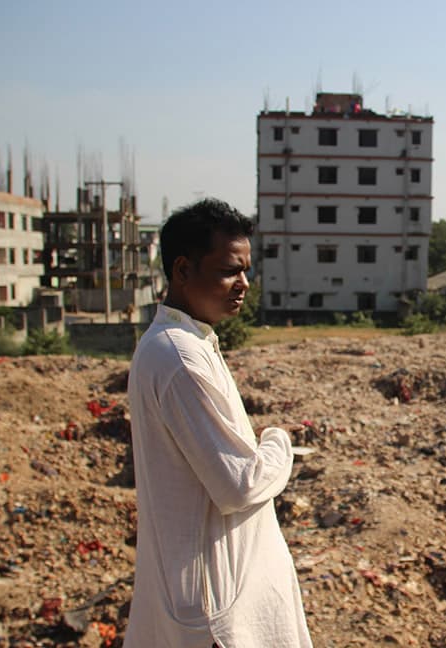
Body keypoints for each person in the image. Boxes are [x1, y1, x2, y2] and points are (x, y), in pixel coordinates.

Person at [125, 198, 312, 647]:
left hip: (213, 600)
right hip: (216, 614)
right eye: (229, 270)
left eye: (246, 270)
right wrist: (278, 442)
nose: (243, 284)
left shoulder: (187, 342)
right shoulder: (179, 357)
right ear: (183, 270)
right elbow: (237, 486)